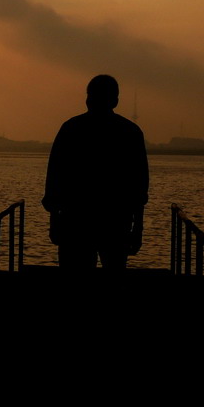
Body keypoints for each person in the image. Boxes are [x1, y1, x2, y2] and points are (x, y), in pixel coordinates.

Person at [42, 75, 148, 270]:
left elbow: (55, 180)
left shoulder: (70, 129)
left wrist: (54, 221)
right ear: (115, 101)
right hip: (115, 223)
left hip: (76, 223)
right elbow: (139, 188)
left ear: (88, 99)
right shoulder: (130, 132)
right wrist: (137, 229)